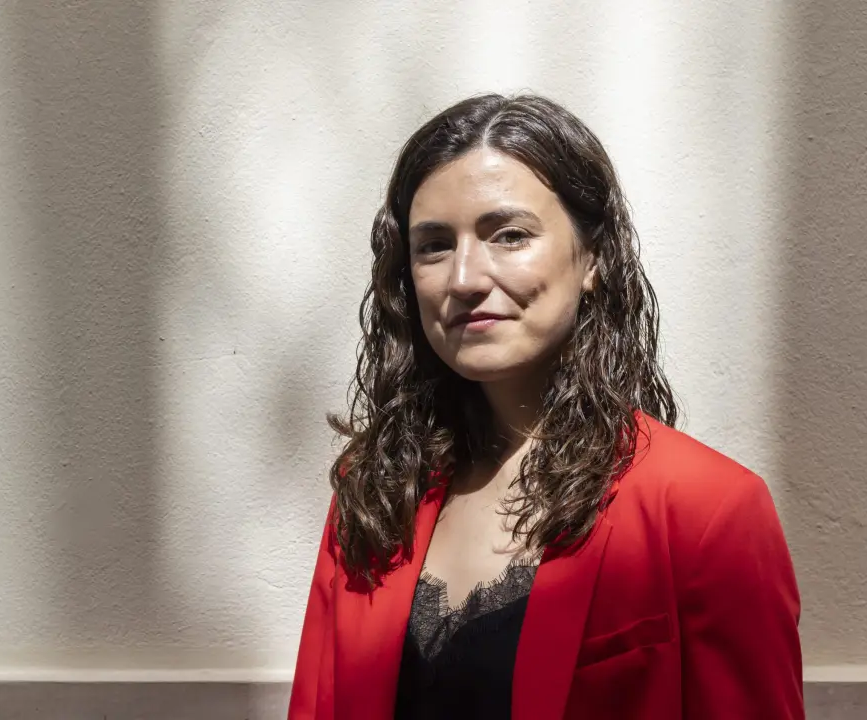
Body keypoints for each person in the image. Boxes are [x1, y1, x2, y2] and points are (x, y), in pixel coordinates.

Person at [288, 93, 803, 719]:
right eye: (434, 245)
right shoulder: (375, 490)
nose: (464, 278)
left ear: (594, 258)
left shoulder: (706, 510)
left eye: (510, 236)